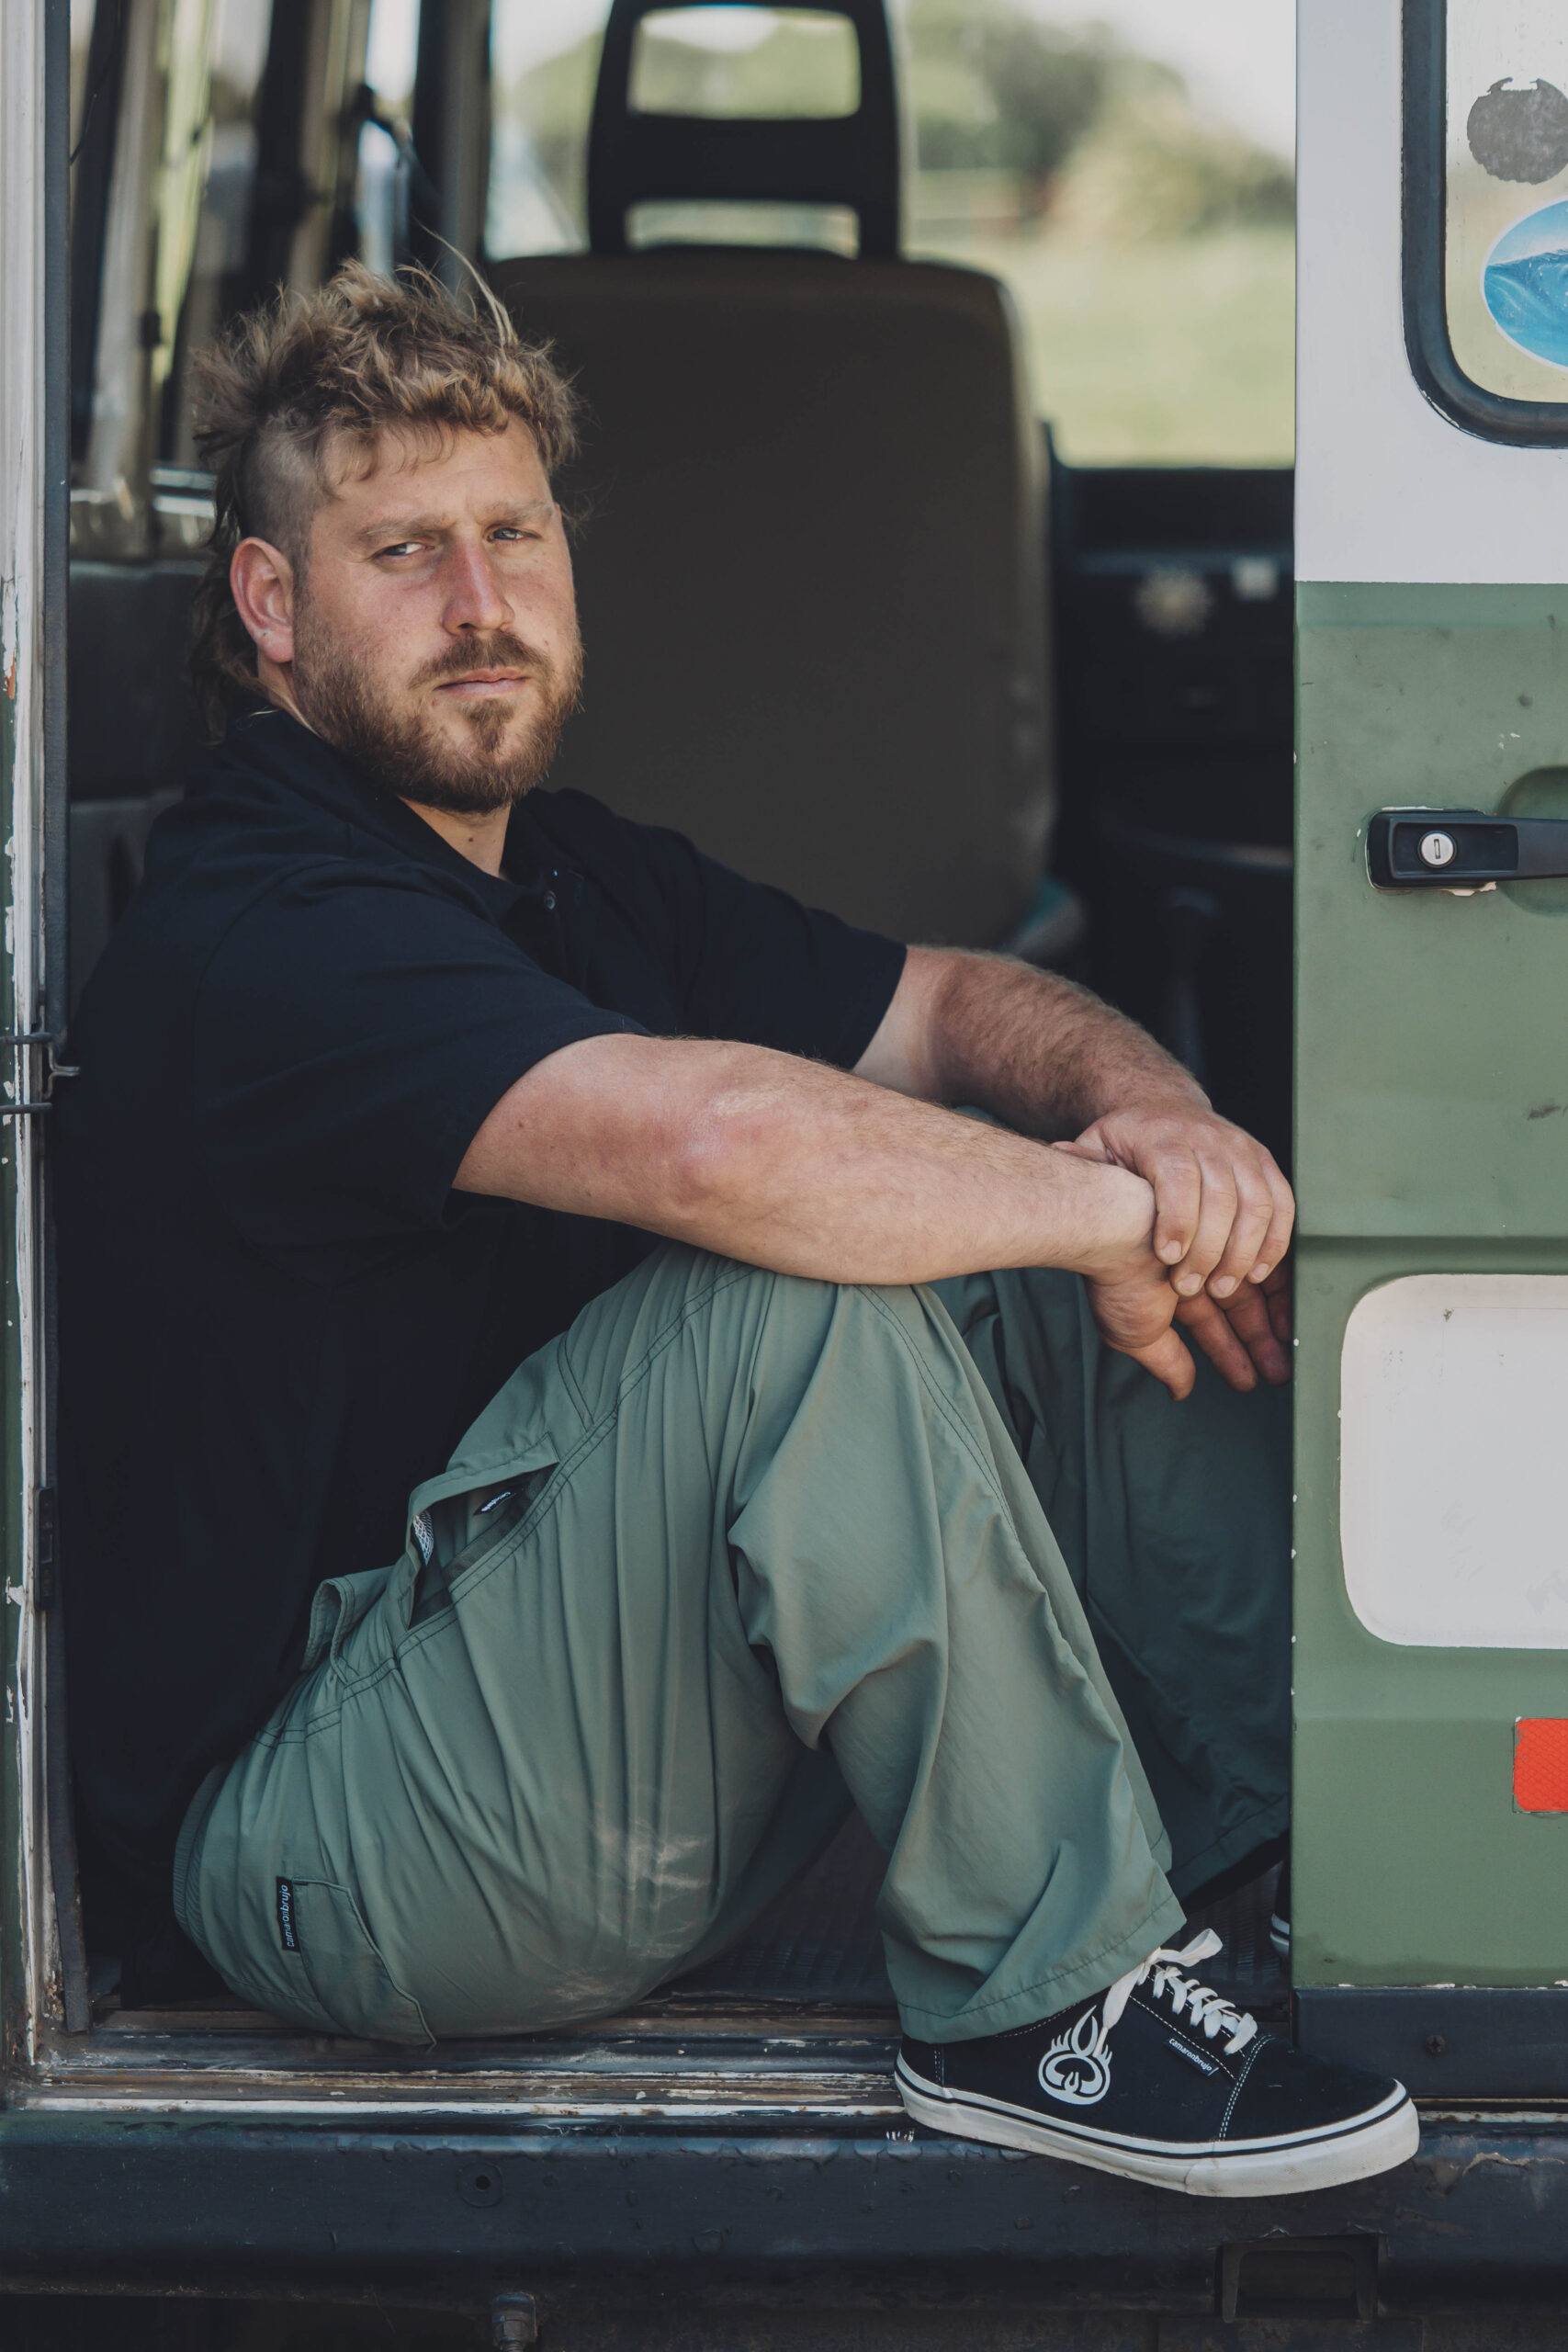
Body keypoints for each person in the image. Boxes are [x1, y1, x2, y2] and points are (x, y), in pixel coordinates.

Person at [56, 264, 1416, 2198]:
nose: (479, 600)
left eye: (515, 534)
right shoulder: (268, 925)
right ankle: (1043, 2004)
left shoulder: (566, 872)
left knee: (1002, 1213)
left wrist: (1157, 1126)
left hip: (532, 1743)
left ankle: (1267, 1853)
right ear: (272, 604)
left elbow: (954, 1002)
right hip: (321, 1845)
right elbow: (712, 1145)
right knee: (804, 1285)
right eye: (404, 550)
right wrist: (1097, 1212)